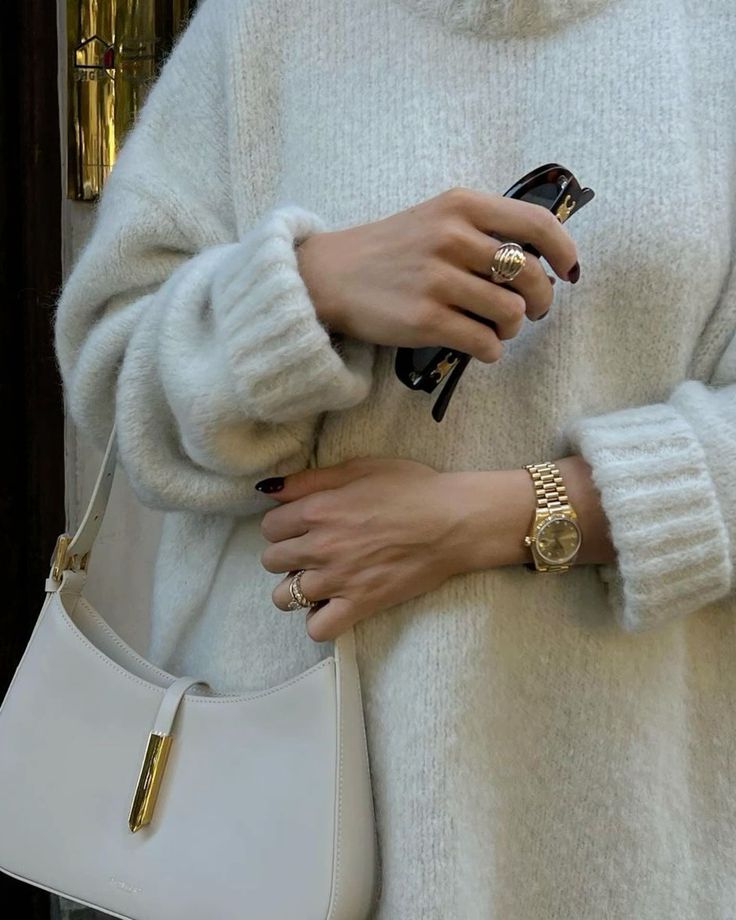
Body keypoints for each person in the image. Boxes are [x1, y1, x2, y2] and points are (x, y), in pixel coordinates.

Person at [53, 0, 736, 916]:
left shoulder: (711, 39)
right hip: (268, 830)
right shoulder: (263, 26)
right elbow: (111, 379)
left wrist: (515, 513)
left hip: (625, 830)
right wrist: (312, 286)